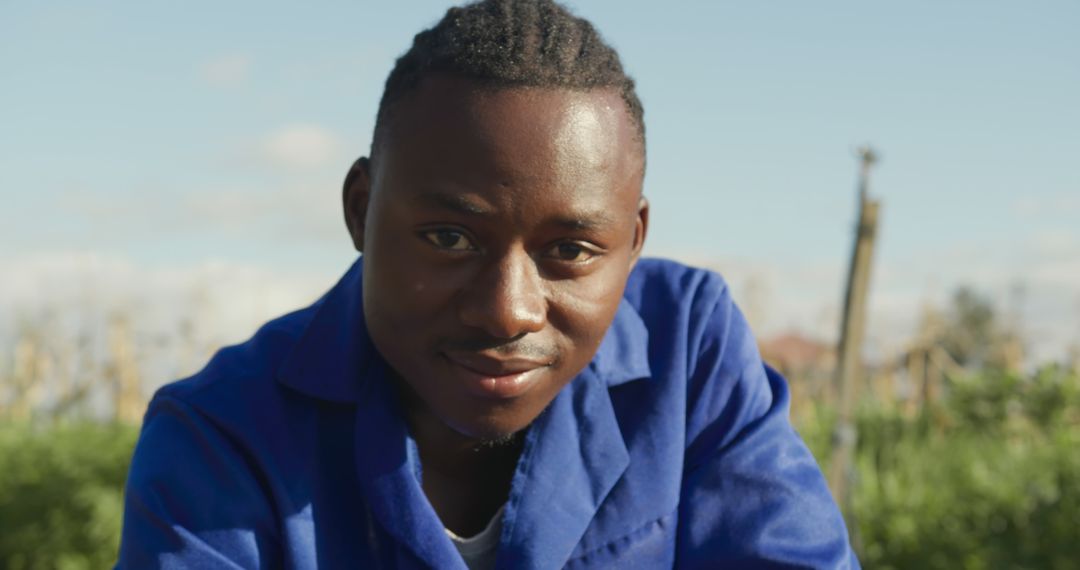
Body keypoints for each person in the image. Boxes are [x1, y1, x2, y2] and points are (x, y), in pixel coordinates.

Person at [116, 0, 858, 568]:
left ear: (632, 243)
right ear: (360, 211)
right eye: (449, 238)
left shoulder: (687, 351)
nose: (509, 309)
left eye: (569, 249)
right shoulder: (222, 437)